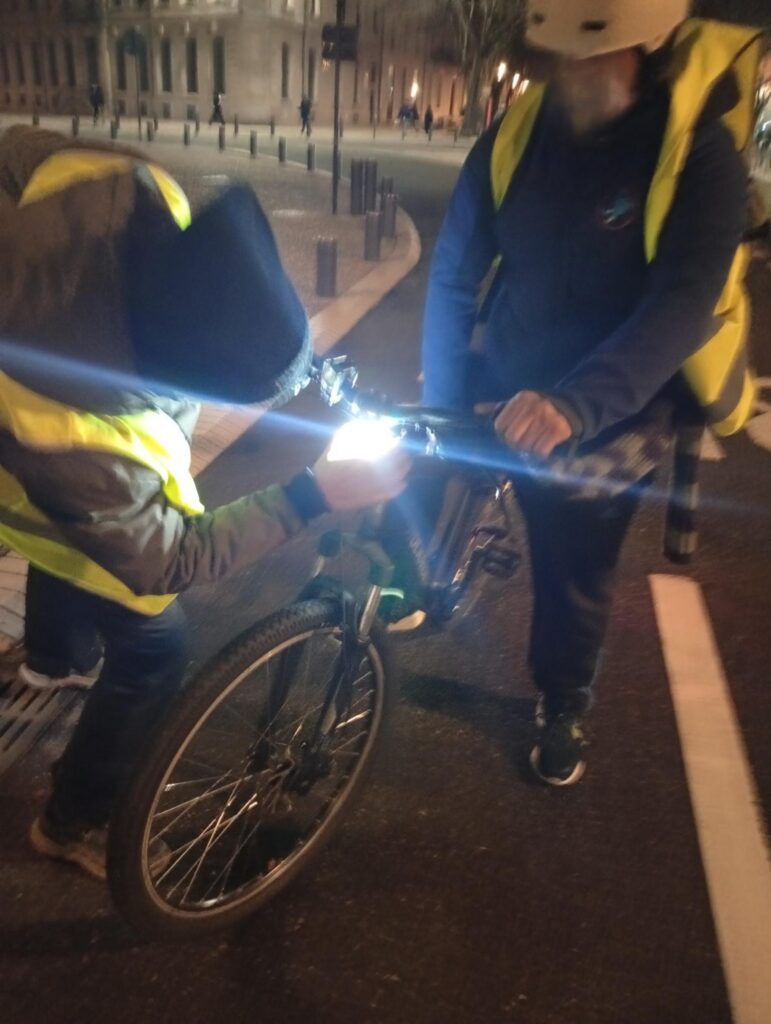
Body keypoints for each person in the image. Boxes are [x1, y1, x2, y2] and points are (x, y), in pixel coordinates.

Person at [0, 125, 410, 878]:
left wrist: (295, 359)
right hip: (33, 479)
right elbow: (167, 558)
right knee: (156, 645)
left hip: (35, 487)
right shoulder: (74, 432)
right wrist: (312, 492)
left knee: (65, 543)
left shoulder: (129, 197)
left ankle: (56, 659)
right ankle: (73, 818)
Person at [394, 2, 760, 786]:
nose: (573, 73)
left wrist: (573, 406)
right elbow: (455, 267)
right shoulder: (518, 133)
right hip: (513, 357)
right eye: (560, 57)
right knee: (413, 449)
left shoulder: (697, 155)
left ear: (649, 48)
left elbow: (681, 304)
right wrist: (446, 397)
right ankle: (411, 576)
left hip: (613, 395)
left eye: (596, 57)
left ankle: (563, 700)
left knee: (573, 562)